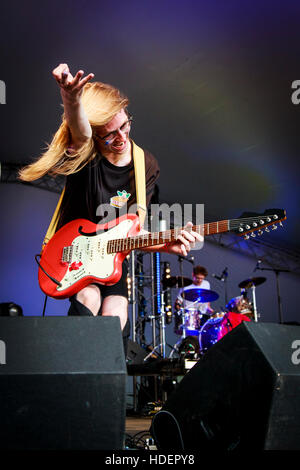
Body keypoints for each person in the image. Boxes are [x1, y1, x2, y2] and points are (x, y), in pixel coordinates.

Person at [19, 63, 202, 354]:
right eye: (109, 134)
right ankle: (74, 374)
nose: (121, 137)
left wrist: (166, 245)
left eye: (125, 125)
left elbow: (134, 232)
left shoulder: (146, 165)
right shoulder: (88, 154)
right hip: (73, 252)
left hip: (111, 257)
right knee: (89, 297)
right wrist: (71, 98)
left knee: (118, 309)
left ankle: (102, 385)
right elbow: (80, 133)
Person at [174, 265, 214, 335]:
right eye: (198, 278)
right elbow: (178, 302)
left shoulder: (206, 284)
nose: (200, 280)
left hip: (202, 315)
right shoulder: (186, 286)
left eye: (202, 278)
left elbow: (207, 300)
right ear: (193, 275)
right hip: (190, 316)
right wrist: (181, 310)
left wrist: (210, 310)